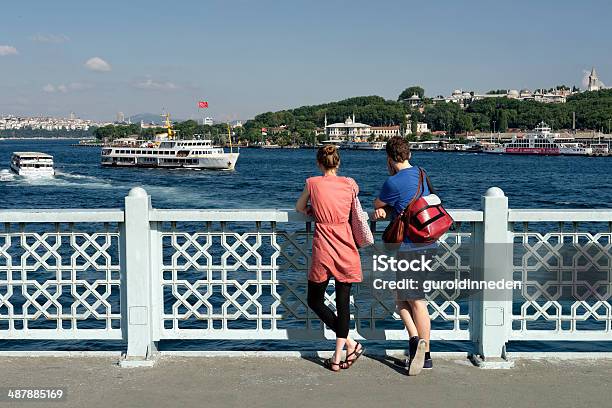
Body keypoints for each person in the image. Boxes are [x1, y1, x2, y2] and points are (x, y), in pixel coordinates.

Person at [295, 145, 364, 372]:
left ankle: (348, 348)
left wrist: (313, 212)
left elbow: (299, 207)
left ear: (319, 163)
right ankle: (341, 354)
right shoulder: (350, 184)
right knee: (343, 304)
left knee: (314, 300)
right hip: (345, 245)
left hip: (323, 245)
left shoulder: (312, 183)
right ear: (338, 163)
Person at [373, 136, 433, 376]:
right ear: (408, 154)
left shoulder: (392, 182)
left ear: (389, 159)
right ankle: (421, 351)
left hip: (409, 246)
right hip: (428, 241)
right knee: (411, 297)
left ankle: (419, 346)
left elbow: (378, 203)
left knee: (409, 299)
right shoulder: (421, 173)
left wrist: (383, 209)